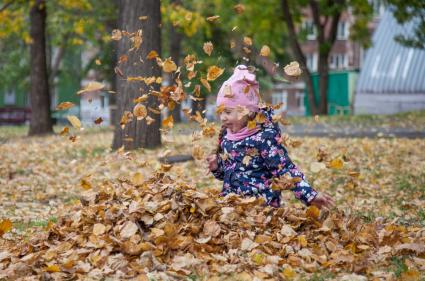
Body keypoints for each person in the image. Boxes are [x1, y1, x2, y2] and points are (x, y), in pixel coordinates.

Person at [206, 65, 334, 209]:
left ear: (247, 111)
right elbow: (229, 174)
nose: (222, 118)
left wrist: (310, 195)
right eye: (220, 112)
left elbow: (285, 170)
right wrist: (217, 167)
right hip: (233, 205)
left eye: (228, 112)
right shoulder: (227, 136)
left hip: (261, 208)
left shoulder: (264, 138)